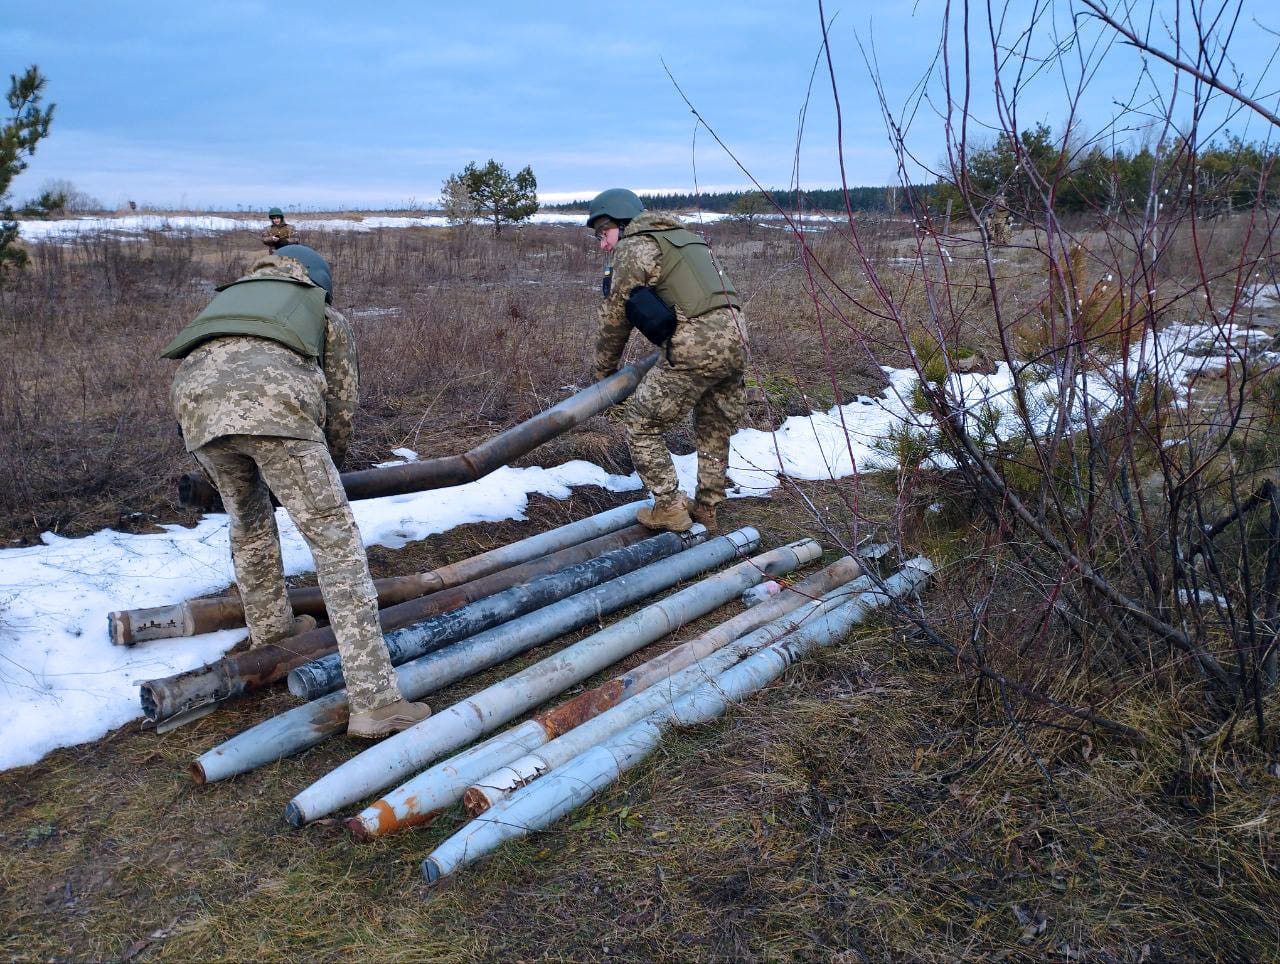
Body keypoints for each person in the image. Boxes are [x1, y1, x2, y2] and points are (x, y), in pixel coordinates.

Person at [160, 244, 431, 738]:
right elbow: (341, 402)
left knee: (249, 523)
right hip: (277, 414)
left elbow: (199, 368)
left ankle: (272, 634)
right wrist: (331, 466)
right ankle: (375, 702)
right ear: (319, 281)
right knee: (336, 547)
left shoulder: (234, 298)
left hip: (197, 414)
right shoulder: (321, 311)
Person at [587, 188, 748, 534]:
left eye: (605, 233)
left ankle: (669, 507)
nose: (603, 244)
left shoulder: (635, 245)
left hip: (695, 348)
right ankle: (707, 508)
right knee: (713, 426)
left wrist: (604, 373)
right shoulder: (687, 238)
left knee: (642, 422)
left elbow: (615, 317)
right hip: (737, 341)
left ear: (624, 223)